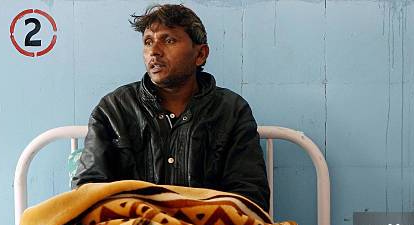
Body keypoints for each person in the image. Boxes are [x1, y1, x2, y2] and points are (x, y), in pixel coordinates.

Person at [72, 4, 270, 211]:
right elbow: (87, 191)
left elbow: (250, 196)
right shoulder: (114, 110)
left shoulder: (231, 111)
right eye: (148, 42)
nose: (154, 52)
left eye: (169, 40)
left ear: (200, 54)